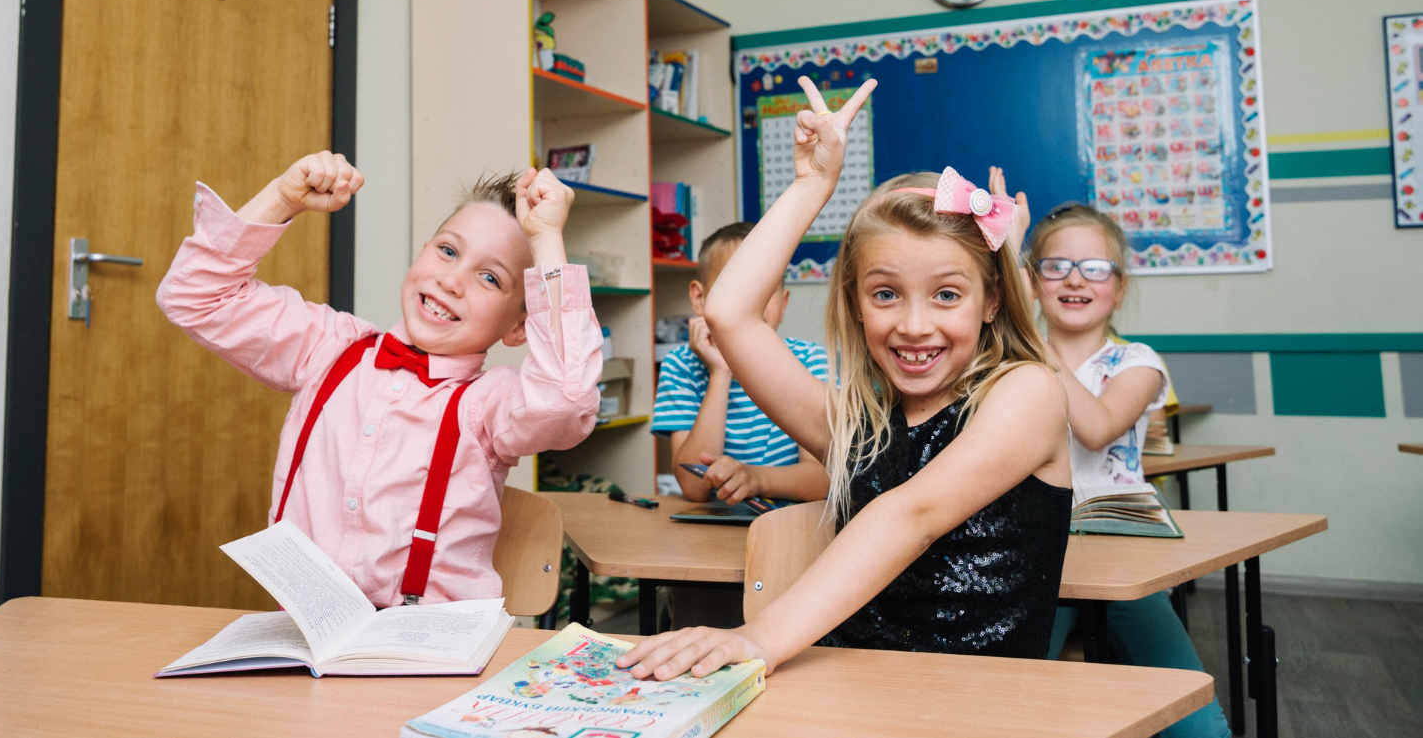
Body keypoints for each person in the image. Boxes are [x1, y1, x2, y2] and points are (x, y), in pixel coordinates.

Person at [618, 77, 1071, 680]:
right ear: (855, 302)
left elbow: (912, 514)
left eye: (946, 295)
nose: (914, 324)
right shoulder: (855, 427)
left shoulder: (1028, 393)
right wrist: (812, 186)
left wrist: (761, 636)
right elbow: (729, 314)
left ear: (991, 301)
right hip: (848, 689)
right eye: (885, 293)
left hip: (976, 705)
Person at [157, 151, 601, 608]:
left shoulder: (489, 404)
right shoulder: (327, 347)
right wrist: (281, 197)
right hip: (307, 625)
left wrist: (546, 239)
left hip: (428, 648)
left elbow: (567, 399)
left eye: (489, 278)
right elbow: (193, 296)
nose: (452, 281)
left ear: (517, 328)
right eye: (448, 251)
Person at [1013, 194, 1232, 738]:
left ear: (1120, 287)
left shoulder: (1138, 362)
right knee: (1010, 689)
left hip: (1118, 557)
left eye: (1095, 268)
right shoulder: (1009, 359)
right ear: (1033, 280)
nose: (1074, 280)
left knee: (1191, 715)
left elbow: (1097, 426)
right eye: (1055, 266)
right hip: (1036, 556)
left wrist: (1031, 342)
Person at [653, 221, 829, 508]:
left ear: (783, 303)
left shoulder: (810, 359)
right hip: (713, 530)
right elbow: (693, 486)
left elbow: (823, 479)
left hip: (792, 527)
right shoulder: (680, 365)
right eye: (736, 285)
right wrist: (720, 373)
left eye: (767, 287)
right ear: (700, 298)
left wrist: (756, 478)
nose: (752, 301)